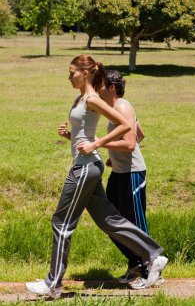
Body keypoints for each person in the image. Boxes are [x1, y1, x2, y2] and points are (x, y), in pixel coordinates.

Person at [26, 55, 167, 298]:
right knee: (108, 220)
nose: (69, 77)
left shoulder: (92, 98)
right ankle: (153, 254)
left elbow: (124, 124)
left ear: (86, 73)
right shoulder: (81, 98)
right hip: (86, 164)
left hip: (85, 167)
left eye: (72, 72)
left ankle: (52, 283)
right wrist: (71, 137)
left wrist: (97, 144)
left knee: (61, 222)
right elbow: (84, 134)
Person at [99, 70, 164, 289]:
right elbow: (140, 135)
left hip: (132, 173)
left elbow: (129, 144)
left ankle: (152, 270)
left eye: (100, 86)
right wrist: (113, 158)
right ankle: (136, 264)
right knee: (112, 221)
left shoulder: (123, 107)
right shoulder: (116, 110)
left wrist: (100, 143)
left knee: (135, 222)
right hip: (119, 171)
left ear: (112, 88)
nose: (97, 90)